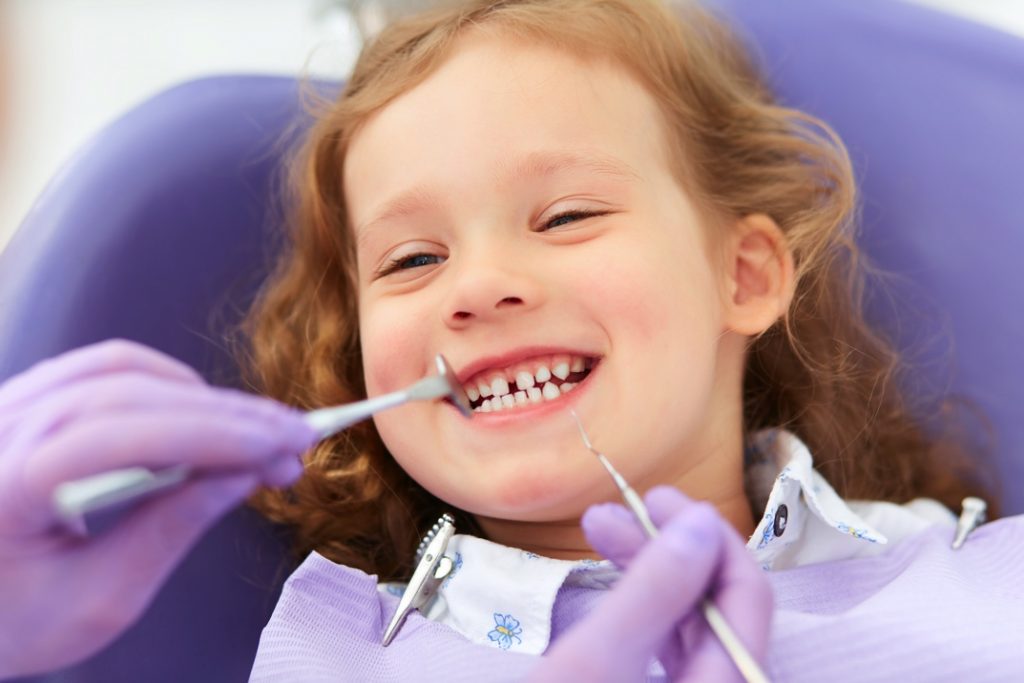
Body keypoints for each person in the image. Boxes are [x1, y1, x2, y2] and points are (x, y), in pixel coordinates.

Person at [1, 0, 1022, 680]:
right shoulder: (338, 661)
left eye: (566, 215)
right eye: (410, 260)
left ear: (743, 274)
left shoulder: (985, 585)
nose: (479, 287)